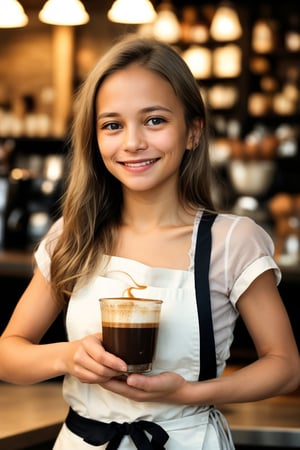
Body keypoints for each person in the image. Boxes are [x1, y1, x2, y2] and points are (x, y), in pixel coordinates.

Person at [0, 34, 299, 450]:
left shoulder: (232, 241)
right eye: (112, 125)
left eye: (154, 120)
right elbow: (8, 353)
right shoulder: (74, 234)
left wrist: (189, 393)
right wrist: (66, 357)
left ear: (193, 131)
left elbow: (284, 366)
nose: (133, 142)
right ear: (94, 138)